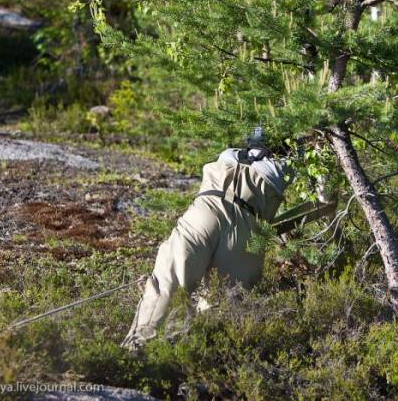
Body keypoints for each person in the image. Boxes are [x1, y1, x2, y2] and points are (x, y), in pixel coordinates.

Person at [121, 127, 291, 350]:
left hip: (203, 213)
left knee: (168, 283)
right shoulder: (283, 167)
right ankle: (200, 359)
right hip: (245, 229)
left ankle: (136, 349)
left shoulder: (229, 153)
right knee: (224, 304)